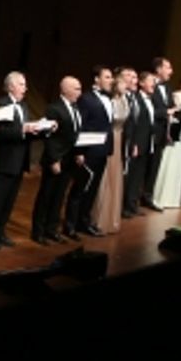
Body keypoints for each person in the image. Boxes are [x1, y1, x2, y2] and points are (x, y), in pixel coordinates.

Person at [0, 72, 46, 249]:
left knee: (9, 200)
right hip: (5, 160)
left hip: (19, 160)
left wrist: (38, 129)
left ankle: (0, 231)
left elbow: (23, 131)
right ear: (11, 86)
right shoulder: (2, 104)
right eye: (22, 84)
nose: (25, 88)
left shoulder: (22, 106)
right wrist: (23, 130)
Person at [65, 65, 114, 238]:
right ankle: (70, 225)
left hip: (102, 150)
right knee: (80, 189)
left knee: (92, 189)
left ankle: (83, 222)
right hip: (88, 151)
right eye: (107, 77)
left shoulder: (108, 98)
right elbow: (81, 125)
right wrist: (79, 151)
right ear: (96, 79)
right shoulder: (86, 99)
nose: (111, 80)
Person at [32, 76, 81, 243]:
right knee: (46, 196)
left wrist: (78, 153)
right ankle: (38, 231)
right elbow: (50, 138)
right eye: (76, 89)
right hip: (56, 160)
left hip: (69, 160)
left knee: (59, 196)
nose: (79, 92)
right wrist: (54, 160)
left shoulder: (76, 109)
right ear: (65, 90)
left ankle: (52, 229)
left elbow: (75, 135)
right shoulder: (54, 109)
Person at [93, 67, 133, 234]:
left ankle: (112, 216)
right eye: (123, 84)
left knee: (115, 176)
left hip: (120, 139)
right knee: (106, 176)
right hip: (111, 137)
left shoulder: (125, 100)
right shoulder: (112, 101)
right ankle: (99, 216)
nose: (126, 86)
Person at [124, 70, 166, 215]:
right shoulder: (136, 99)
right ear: (141, 83)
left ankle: (133, 205)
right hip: (138, 143)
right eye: (150, 81)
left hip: (148, 143)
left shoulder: (151, 100)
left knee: (139, 176)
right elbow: (133, 123)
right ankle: (127, 206)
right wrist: (134, 143)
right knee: (133, 176)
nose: (154, 84)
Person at [151, 72, 181, 209]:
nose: (171, 71)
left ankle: (171, 198)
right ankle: (159, 196)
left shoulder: (169, 88)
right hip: (166, 128)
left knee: (177, 163)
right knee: (166, 162)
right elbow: (165, 110)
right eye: (168, 67)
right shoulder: (175, 93)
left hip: (180, 128)